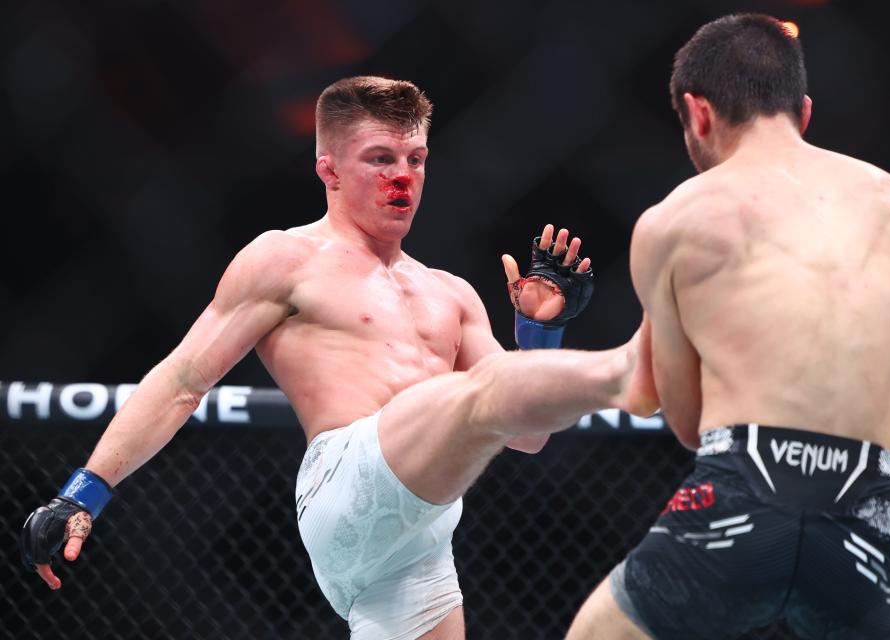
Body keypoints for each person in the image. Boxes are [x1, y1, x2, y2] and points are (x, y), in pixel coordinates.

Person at [20, 76, 656, 640]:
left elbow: (529, 435)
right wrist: (83, 495)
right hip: (346, 481)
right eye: (379, 159)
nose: (402, 177)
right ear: (328, 168)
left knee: (484, 397)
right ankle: (632, 366)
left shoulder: (453, 294)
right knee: (475, 394)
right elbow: (184, 378)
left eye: (415, 158)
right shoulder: (286, 259)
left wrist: (538, 337)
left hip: (422, 538)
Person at [565, 13, 890, 640]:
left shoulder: (676, 218)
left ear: (697, 113)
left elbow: (679, 416)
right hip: (868, 511)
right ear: (804, 112)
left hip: (743, 496)